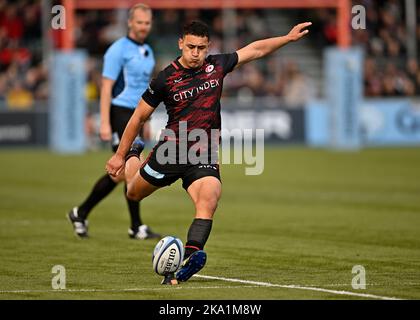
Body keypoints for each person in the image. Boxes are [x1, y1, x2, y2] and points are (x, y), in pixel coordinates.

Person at [106, 20, 311, 282]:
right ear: (181, 43)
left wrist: (288, 38)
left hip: (203, 152)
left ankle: (189, 261)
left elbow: (256, 50)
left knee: (209, 197)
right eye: (191, 46)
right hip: (170, 151)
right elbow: (138, 118)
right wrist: (120, 155)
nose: (196, 53)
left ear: (208, 47)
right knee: (133, 192)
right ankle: (136, 153)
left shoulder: (217, 65)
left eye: (201, 48)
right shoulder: (165, 79)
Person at [68, 3, 160, 240]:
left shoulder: (148, 51)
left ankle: (81, 212)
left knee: (118, 173)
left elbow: (144, 90)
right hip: (119, 112)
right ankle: (136, 226)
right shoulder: (117, 50)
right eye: (139, 22)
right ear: (130, 22)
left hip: (136, 115)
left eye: (147, 23)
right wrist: (105, 122)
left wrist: (146, 119)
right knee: (131, 165)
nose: (143, 27)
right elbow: (106, 87)